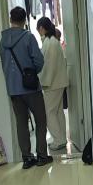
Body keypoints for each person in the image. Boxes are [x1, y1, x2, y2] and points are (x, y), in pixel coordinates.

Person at [0, 7, 52, 169]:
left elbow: (4, 64)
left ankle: (27, 158)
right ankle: (42, 155)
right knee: (41, 120)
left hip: (13, 90)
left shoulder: (2, 41)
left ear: (10, 19)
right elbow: (39, 61)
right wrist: (31, 73)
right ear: (24, 21)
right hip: (31, 88)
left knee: (21, 123)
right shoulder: (28, 37)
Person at [36, 17, 69, 152]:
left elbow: (48, 66)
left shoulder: (49, 43)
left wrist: (44, 82)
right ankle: (62, 138)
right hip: (58, 82)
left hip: (52, 83)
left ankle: (58, 140)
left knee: (49, 112)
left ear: (41, 28)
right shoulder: (53, 41)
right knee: (57, 111)